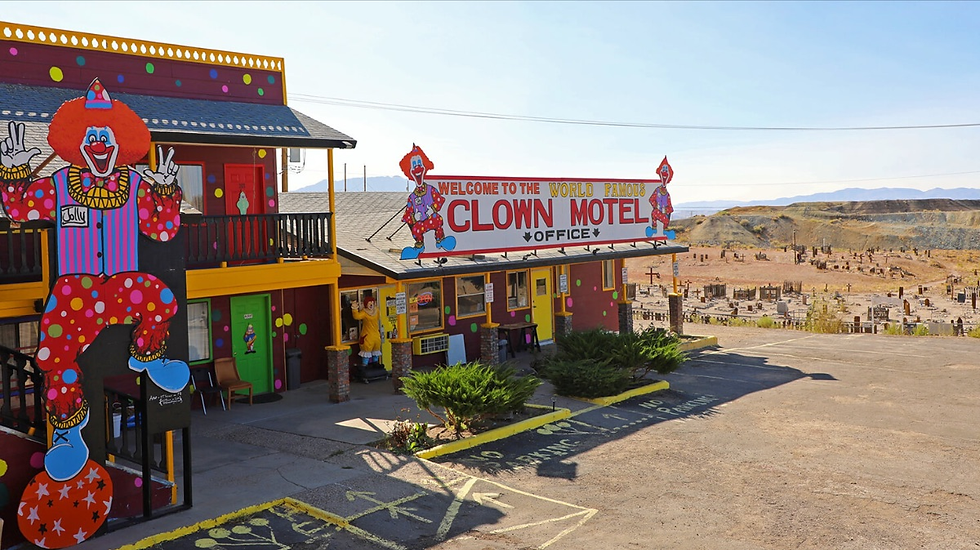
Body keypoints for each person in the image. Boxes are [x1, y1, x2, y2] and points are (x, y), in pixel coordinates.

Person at [2, 79, 190, 545]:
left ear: (120, 142)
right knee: (54, 353)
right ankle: (70, 434)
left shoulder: (134, 185)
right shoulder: (60, 183)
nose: (100, 143)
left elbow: (164, 230)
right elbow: (20, 209)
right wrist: (15, 172)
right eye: (91, 137)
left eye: (107, 136)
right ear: (78, 143)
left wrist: (167, 189)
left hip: (123, 282)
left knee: (161, 299)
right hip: (77, 289)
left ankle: (148, 356)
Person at [398, 144, 456, 259]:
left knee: (438, 219)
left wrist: (432, 210)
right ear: (410, 172)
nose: (417, 167)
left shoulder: (430, 189)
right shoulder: (412, 197)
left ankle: (440, 239)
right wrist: (415, 218)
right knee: (416, 229)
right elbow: (407, 215)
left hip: (431, 220)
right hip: (421, 224)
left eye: (420, 164)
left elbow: (439, 200)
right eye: (414, 165)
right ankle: (419, 246)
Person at [351, 296, 382, 366]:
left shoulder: (376, 310)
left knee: (376, 352)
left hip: (376, 336)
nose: (371, 305)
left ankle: (375, 367)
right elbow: (357, 316)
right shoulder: (364, 312)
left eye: (372, 303)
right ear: (366, 304)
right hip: (367, 336)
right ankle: (365, 368)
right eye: (369, 303)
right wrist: (354, 309)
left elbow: (378, 318)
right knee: (366, 353)